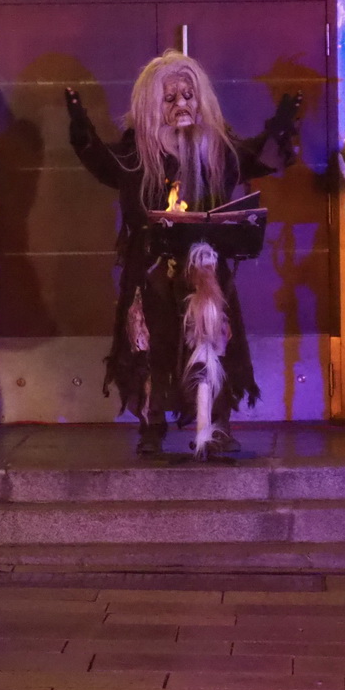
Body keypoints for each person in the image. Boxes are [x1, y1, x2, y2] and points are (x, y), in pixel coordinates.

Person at [65, 50, 300, 457]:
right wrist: (81, 128)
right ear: (153, 105)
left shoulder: (216, 148)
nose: (181, 105)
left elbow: (256, 158)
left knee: (213, 340)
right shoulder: (139, 152)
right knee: (149, 342)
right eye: (170, 98)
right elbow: (104, 163)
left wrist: (280, 126)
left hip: (206, 265)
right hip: (153, 264)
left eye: (188, 95)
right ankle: (152, 424)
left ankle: (218, 425)